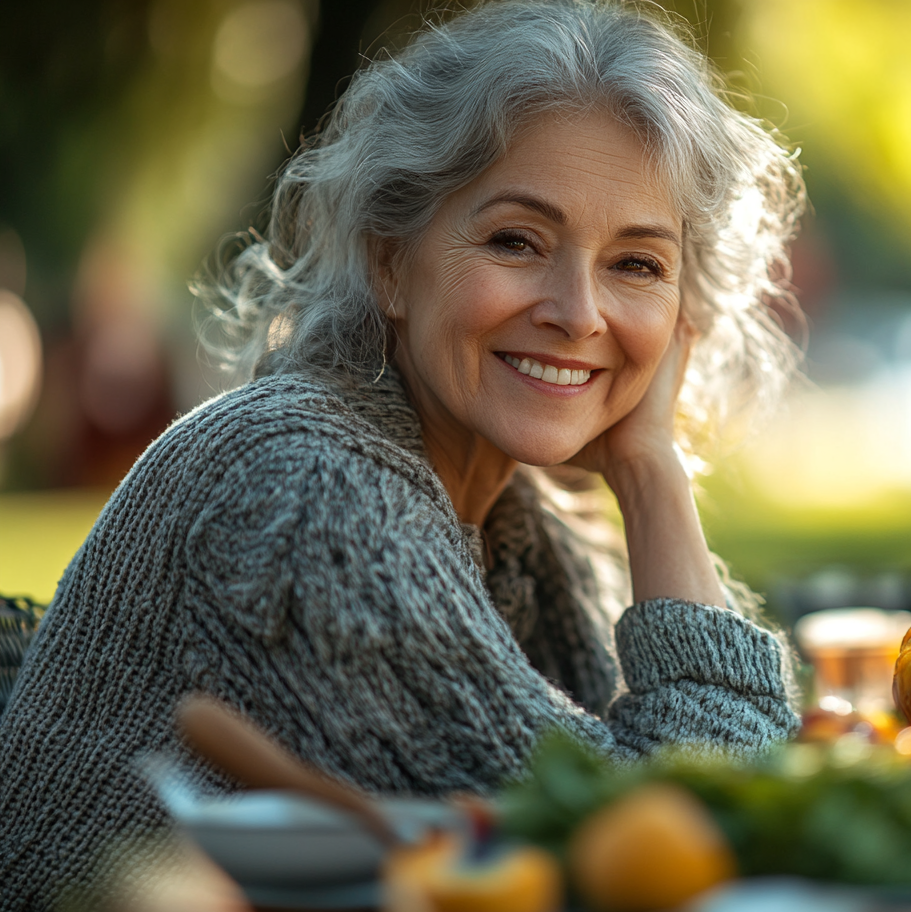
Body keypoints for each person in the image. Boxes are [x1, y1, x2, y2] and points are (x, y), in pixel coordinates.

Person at [0, 0, 807, 907]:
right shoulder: (312, 496)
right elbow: (673, 848)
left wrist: (648, 460)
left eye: (637, 264)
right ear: (389, 262)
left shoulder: (508, 514)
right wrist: (654, 477)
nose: (579, 312)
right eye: (516, 241)